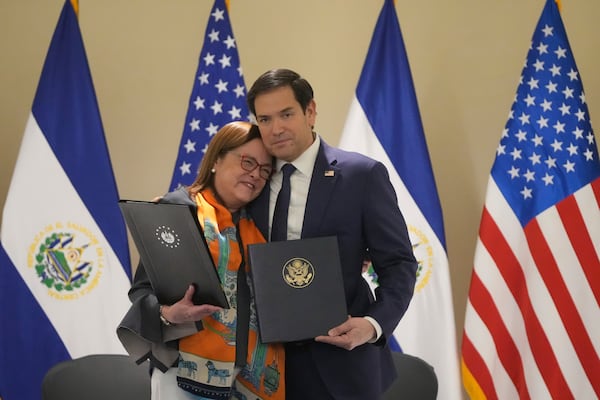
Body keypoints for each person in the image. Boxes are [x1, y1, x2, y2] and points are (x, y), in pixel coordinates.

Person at [246, 68, 418, 400]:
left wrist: (372, 325)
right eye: (264, 119)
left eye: (286, 114)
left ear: (310, 111)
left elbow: (398, 264)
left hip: (339, 365)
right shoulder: (251, 181)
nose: (276, 128)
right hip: (260, 366)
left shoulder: (361, 176)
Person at [117, 121, 285, 400]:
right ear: (217, 159)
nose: (255, 174)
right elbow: (142, 291)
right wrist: (170, 314)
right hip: (183, 374)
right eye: (247, 162)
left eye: (264, 170)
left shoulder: (262, 227)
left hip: (252, 380)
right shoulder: (176, 211)